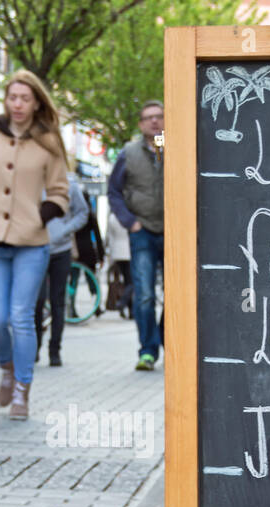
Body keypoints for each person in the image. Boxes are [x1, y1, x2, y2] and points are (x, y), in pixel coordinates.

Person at [0, 69, 70, 421]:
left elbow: (59, 192)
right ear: (5, 100)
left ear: (37, 102)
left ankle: (23, 388)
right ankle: (6, 366)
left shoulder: (49, 141)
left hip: (31, 242)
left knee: (22, 317)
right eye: (13, 97)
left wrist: (41, 215)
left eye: (25, 98)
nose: (18, 104)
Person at [107, 100, 164, 370]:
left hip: (175, 232)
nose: (154, 122)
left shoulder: (176, 146)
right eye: (149, 118)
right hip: (142, 232)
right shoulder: (128, 153)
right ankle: (148, 351)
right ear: (141, 124)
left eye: (159, 117)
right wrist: (130, 222)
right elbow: (113, 192)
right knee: (144, 294)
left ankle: (166, 336)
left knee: (177, 293)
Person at [34, 169, 88, 366]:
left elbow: (82, 213)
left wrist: (65, 230)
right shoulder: (32, 180)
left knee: (58, 302)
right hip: (36, 250)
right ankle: (35, 346)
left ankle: (54, 350)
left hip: (60, 251)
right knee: (37, 301)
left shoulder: (69, 184)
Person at [106, 208, 131, 318]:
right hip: (129, 252)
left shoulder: (112, 217)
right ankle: (122, 301)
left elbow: (110, 238)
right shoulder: (129, 216)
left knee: (126, 282)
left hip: (117, 253)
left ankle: (130, 310)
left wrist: (111, 255)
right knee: (131, 282)